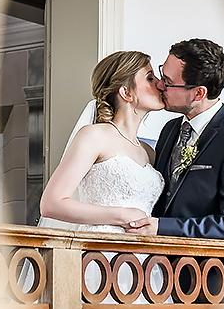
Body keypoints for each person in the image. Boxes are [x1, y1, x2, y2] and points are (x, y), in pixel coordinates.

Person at [125, 38, 224, 241]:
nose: (159, 84)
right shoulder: (170, 130)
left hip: (206, 270)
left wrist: (163, 227)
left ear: (199, 93)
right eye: (161, 74)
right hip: (155, 267)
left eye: (168, 82)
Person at [37, 51, 166, 232]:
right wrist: (121, 215)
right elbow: (51, 203)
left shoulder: (148, 151)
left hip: (142, 255)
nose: (160, 84)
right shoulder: (94, 137)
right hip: (100, 251)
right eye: (150, 78)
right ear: (126, 92)